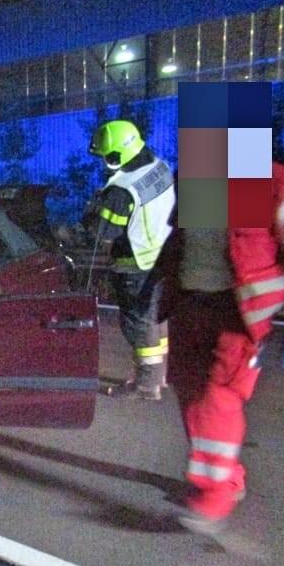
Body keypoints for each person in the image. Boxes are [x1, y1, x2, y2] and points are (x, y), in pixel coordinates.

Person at [170, 162, 284, 531]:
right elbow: (183, 241)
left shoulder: (269, 181)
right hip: (189, 304)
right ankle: (227, 475)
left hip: (237, 311)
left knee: (217, 397)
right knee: (189, 393)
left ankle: (213, 496)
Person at [88, 119, 175, 400]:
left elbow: (105, 232)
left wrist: (93, 212)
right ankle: (158, 377)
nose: (103, 162)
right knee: (155, 317)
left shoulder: (121, 191)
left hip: (137, 263)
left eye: (105, 156)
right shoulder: (158, 166)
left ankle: (146, 385)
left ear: (116, 156)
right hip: (165, 253)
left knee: (138, 323)